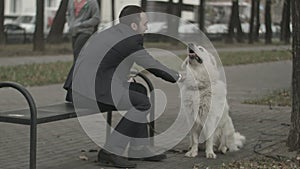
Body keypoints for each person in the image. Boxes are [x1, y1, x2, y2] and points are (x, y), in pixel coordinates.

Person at [91, 5, 185, 168]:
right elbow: (151, 64)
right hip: (91, 91)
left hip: (91, 85)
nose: (147, 27)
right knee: (142, 103)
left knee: (140, 90)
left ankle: (139, 148)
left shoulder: (114, 33)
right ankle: (110, 151)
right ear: (133, 26)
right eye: (145, 23)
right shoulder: (129, 40)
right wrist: (179, 76)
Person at [64, 0, 100, 102]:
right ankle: (76, 90)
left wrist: (81, 24)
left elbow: (96, 18)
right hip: (74, 32)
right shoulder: (72, 1)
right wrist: (71, 23)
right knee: (77, 60)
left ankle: (75, 90)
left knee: (79, 60)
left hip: (85, 32)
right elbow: (68, 14)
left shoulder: (92, 2)